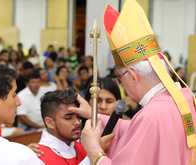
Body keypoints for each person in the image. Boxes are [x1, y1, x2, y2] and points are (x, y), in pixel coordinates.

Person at [68, 1, 196, 164]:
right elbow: (139, 131)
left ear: (134, 77)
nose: (121, 83)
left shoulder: (151, 115)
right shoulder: (182, 100)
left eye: (121, 78)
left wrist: (94, 150)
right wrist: (95, 115)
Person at [35, 88, 89, 164]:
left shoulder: (81, 146)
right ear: (50, 122)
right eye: (68, 118)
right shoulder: (37, 157)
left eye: (78, 117)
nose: (77, 122)